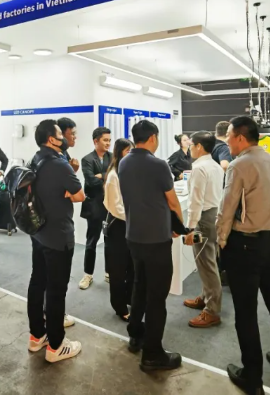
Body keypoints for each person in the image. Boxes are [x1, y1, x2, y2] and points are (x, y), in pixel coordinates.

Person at [218, 116, 270, 395]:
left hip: (244, 246)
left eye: (229, 136)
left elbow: (227, 209)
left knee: (246, 311)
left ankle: (252, 378)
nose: (227, 141)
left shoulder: (239, 165)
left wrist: (221, 241)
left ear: (241, 137)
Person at [119, 119, 183, 372]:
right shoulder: (158, 164)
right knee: (157, 297)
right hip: (157, 239)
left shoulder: (124, 162)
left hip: (134, 236)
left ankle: (135, 335)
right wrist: (179, 226)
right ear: (153, 137)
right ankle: (153, 354)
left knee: (139, 285)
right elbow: (173, 202)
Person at [27, 119, 85, 363]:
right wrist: (69, 186)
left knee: (38, 282)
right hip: (58, 235)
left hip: (38, 232)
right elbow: (79, 195)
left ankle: (36, 336)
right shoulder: (60, 164)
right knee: (56, 290)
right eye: (61, 133)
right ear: (52, 139)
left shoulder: (36, 159)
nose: (65, 136)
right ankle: (56, 345)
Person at [183, 131, 225, 328]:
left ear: (199, 146)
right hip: (214, 214)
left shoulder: (199, 168)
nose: (189, 148)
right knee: (208, 260)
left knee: (206, 263)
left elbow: (196, 201)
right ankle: (206, 296)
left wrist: (190, 228)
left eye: (191, 144)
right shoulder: (215, 165)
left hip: (204, 219)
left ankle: (212, 310)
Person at [103, 137, 135, 320]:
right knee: (118, 269)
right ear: (119, 153)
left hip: (130, 224)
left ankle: (130, 297)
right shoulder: (113, 176)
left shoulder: (128, 171)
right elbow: (115, 207)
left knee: (131, 266)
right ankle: (120, 306)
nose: (131, 155)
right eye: (127, 151)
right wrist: (136, 218)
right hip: (118, 226)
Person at [78, 126, 112, 290]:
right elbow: (91, 181)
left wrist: (102, 176)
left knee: (110, 241)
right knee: (91, 241)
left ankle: (109, 272)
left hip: (110, 205)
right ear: (95, 141)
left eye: (109, 140)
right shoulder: (87, 159)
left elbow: (117, 175)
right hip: (94, 206)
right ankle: (88, 275)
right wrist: (107, 177)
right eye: (105, 140)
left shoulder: (112, 157)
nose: (108, 143)